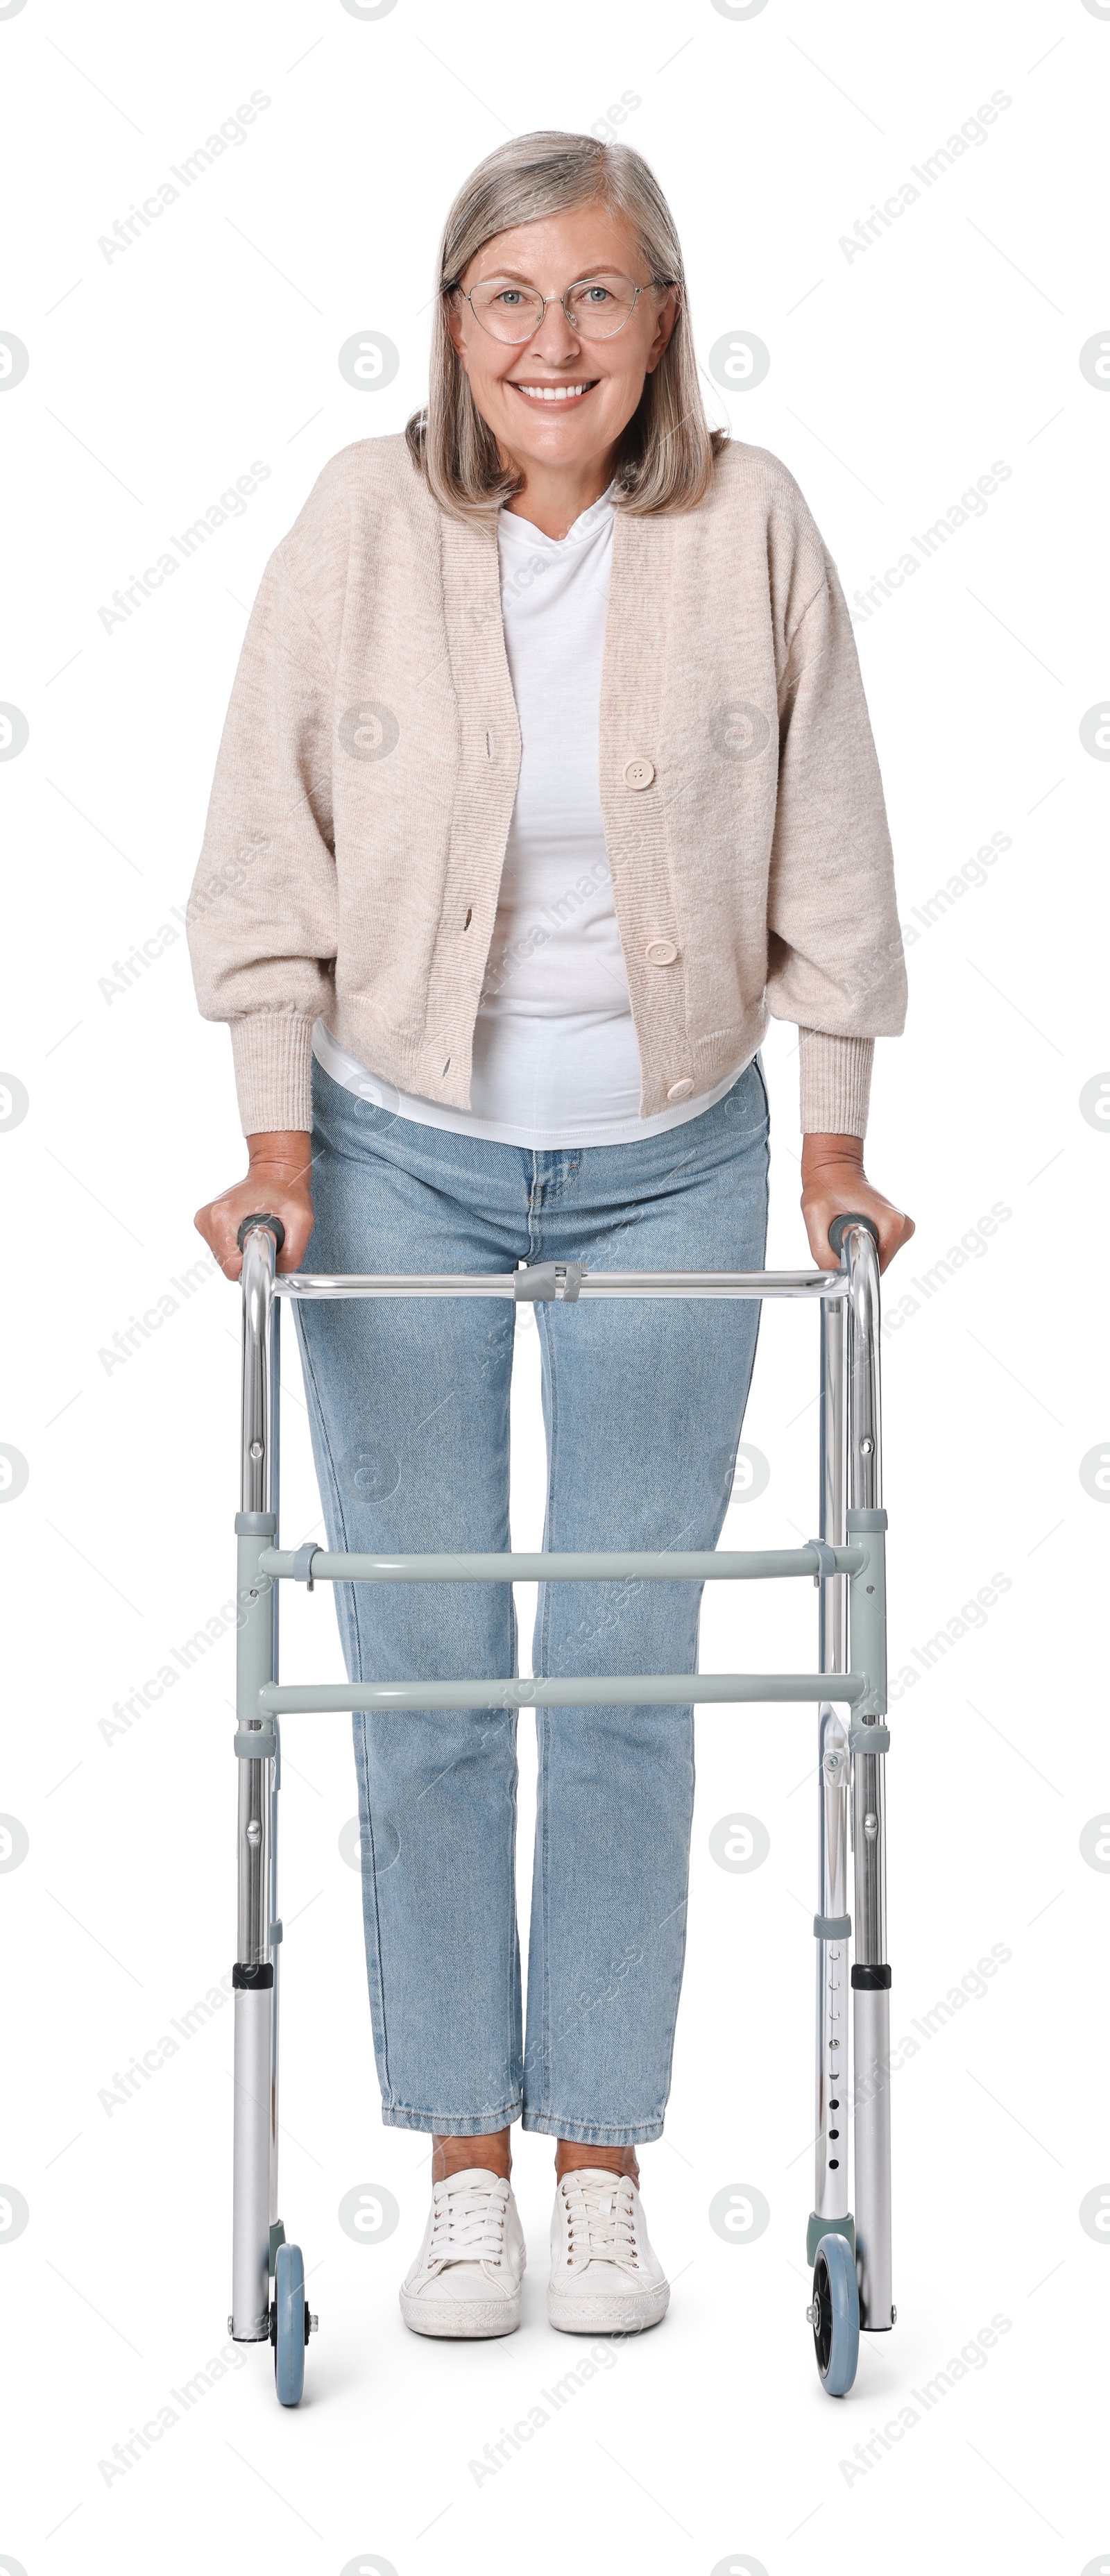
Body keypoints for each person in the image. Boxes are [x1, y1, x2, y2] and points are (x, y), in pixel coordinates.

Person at [190, 130, 912, 2345]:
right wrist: (277, 1143)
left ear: (662, 321)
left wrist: (831, 1150)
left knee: (615, 1665)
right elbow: (262, 849)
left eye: (596, 297)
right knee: (420, 1672)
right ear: (451, 321)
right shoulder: (360, 523)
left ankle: (601, 2154)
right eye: (509, 297)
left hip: (676, 1158)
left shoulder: (750, 522)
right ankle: (463, 2170)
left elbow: (834, 841)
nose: (551, 343)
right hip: (396, 1158)